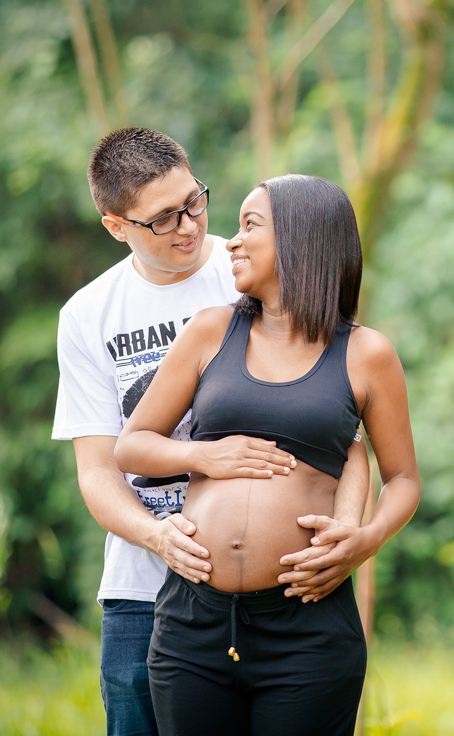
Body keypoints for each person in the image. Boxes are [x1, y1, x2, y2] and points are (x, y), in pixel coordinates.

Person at [52, 128, 370, 736]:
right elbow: (98, 469)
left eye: (194, 199)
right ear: (116, 226)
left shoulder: (257, 267)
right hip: (145, 595)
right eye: (163, 218)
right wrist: (159, 537)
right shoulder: (89, 315)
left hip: (279, 603)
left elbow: (347, 430)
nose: (190, 224)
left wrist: (350, 530)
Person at [114, 174, 420, 736]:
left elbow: (402, 478)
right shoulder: (211, 332)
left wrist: (364, 541)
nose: (230, 241)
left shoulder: (367, 354)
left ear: (304, 240)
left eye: (250, 225)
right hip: (193, 624)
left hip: (306, 628)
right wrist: (208, 457)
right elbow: (131, 446)